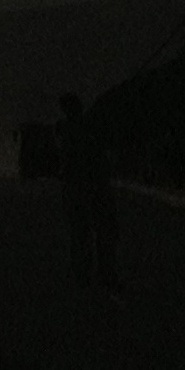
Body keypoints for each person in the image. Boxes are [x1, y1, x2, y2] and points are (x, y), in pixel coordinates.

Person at [55, 91, 120, 291]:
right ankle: (97, 276)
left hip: (83, 189)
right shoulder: (75, 129)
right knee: (91, 234)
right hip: (88, 188)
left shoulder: (69, 128)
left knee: (85, 235)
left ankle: (90, 276)